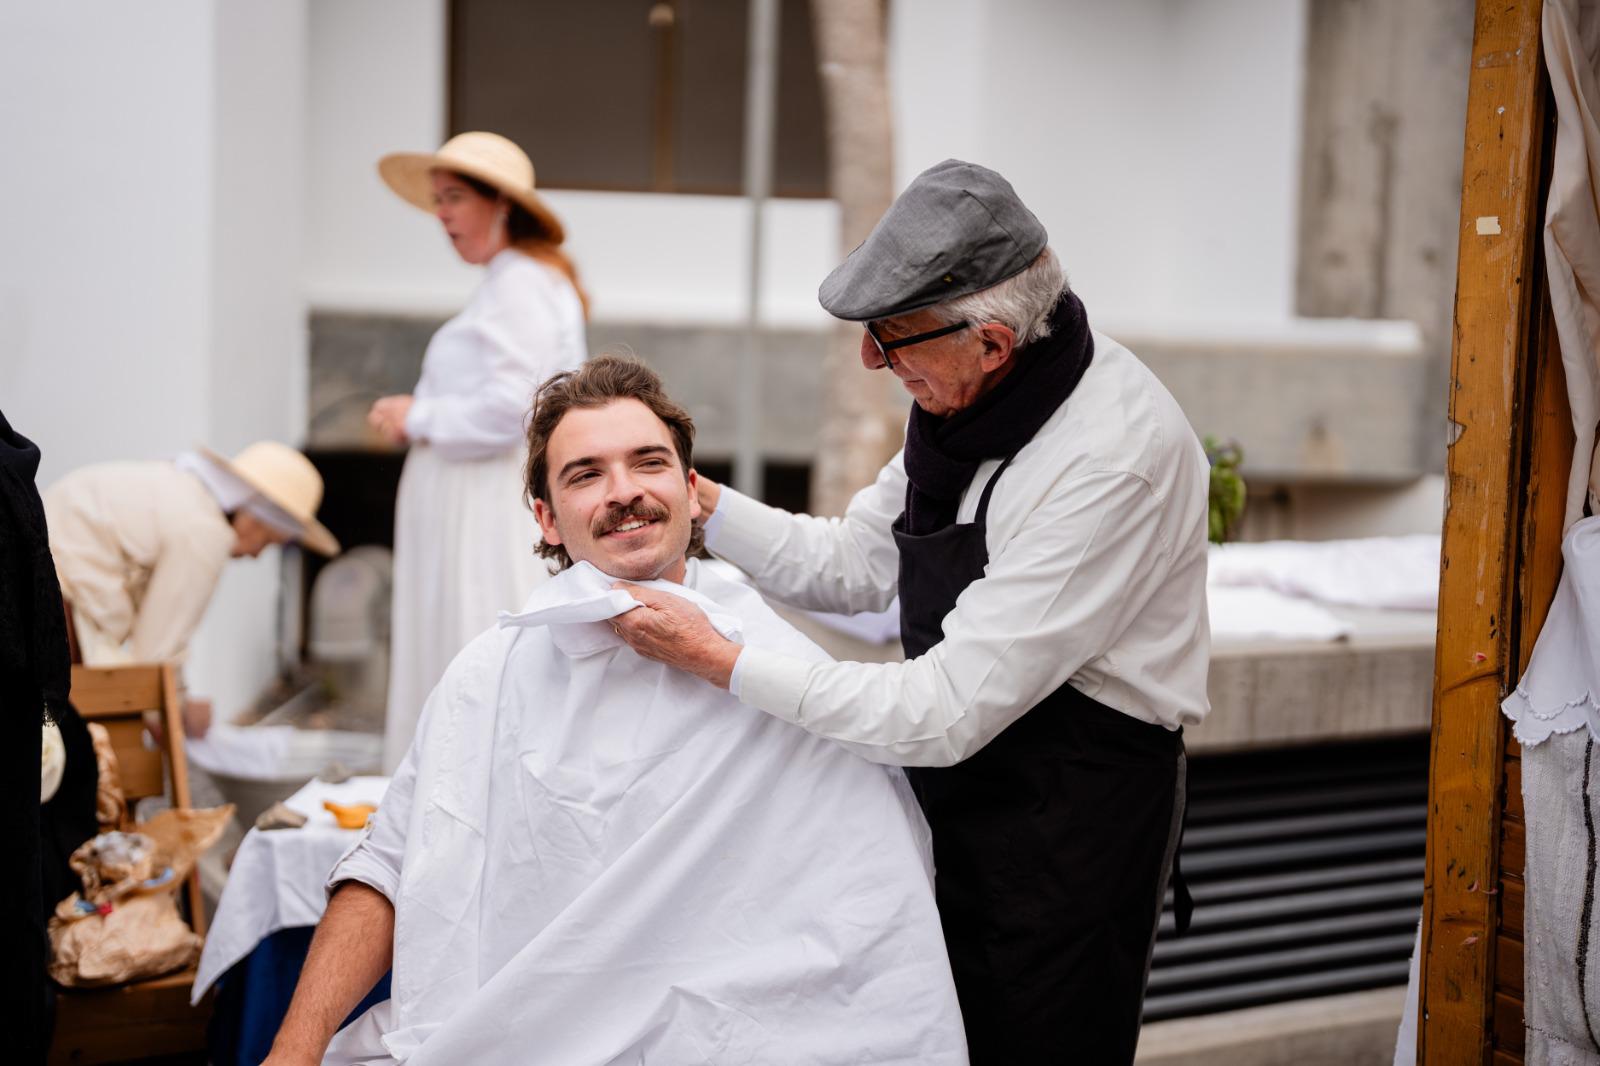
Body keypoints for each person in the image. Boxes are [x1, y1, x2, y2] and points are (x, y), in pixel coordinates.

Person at [611, 159, 1212, 1064]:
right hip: (957, 788)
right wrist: (698, 503)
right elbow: (856, 566)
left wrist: (720, 661)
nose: (872, 361)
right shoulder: (963, 401)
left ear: (994, 342)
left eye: (891, 340)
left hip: (1069, 818)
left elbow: (942, 712)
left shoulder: (1108, 461)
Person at [263, 356, 966, 1066]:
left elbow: (872, 908)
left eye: (649, 463)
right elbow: (388, 865)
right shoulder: (491, 673)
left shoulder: (773, 665)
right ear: (546, 516)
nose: (624, 492)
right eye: (585, 474)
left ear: (693, 493)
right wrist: (290, 1053)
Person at [370, 130, 588, 773]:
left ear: (501, 205)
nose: (441, 214)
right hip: (471, 494)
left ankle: (462, 781)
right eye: (438, 199)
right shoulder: (516, 282)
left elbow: (516, 406)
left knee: (471, 633)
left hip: (480, 500)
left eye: (455, 197)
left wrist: (419, 416)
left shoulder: (518, 283)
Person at [45, 442, 339, 737]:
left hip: (30, 575)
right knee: (64, 742)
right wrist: (182, 713)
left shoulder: (183, 489)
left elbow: (158, 634)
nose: (256, 555)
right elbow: (155, 656)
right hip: (52, 601)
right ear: (254, 518)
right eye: (267, 541)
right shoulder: (204, 531)